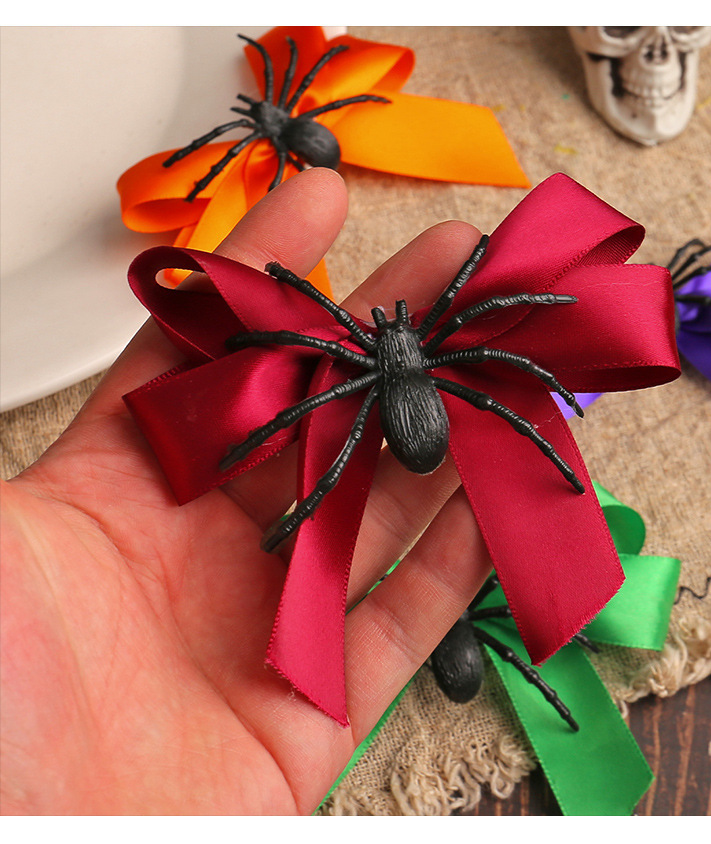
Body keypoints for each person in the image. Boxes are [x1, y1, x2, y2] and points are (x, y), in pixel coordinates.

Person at [0, 168, 494, 815]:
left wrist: (290, 286)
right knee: (341, 450)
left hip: (407, 410)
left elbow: (312, 408)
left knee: (336, 448)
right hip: (416, 409)